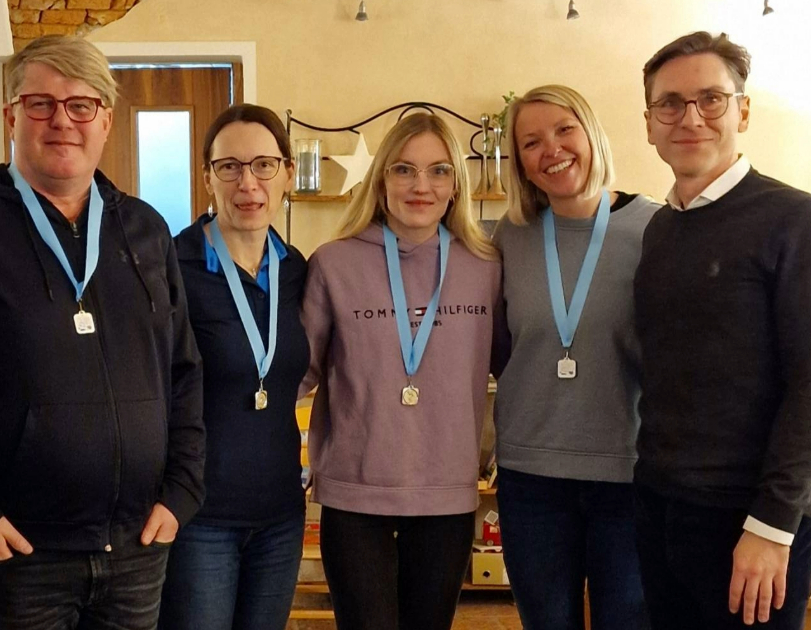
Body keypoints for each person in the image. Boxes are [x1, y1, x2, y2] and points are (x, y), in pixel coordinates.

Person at [0, 35, 205, 630]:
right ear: (11, 116)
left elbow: (182, 370)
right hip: (20, 552)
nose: (62, 121)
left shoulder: (146, 229)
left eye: (82, 104)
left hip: (137, 545)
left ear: (105, 119)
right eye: (41, 104)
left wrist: (183, 488)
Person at [633, 31, 811, 630]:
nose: (690, 117)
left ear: (742, 110)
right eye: (670, 103)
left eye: (710, 99)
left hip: (747, 522)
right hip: (660, 507)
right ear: (649, 124)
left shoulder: (797, 219)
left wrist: (771, 525)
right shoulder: (660, 229)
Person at [300, 113, 501, 630]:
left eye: (438, 171)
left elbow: (518, 364)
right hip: (355, 492)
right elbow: (297, 373)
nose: (421, 186)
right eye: (404, 169)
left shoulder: (485, 267)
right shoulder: (333, 263)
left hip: (446, 494)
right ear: (381, 180)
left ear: (456, 185)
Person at [491, 84, 658, 630]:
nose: (552, 150)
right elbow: (495, 346)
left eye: (565, 130)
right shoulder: (509, 237)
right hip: (530, 476)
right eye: (531, 142)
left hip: (628, 472)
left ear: (592, 134)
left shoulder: (656, 228)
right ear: (520, 163)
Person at [158, 105, 310, 630]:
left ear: (287, 173)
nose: (248, 183)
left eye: (264, 165)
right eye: (229, 167)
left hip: (281, 515)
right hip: (200, 515)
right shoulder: (170, 267)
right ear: (208, 177)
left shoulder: (295, 270)